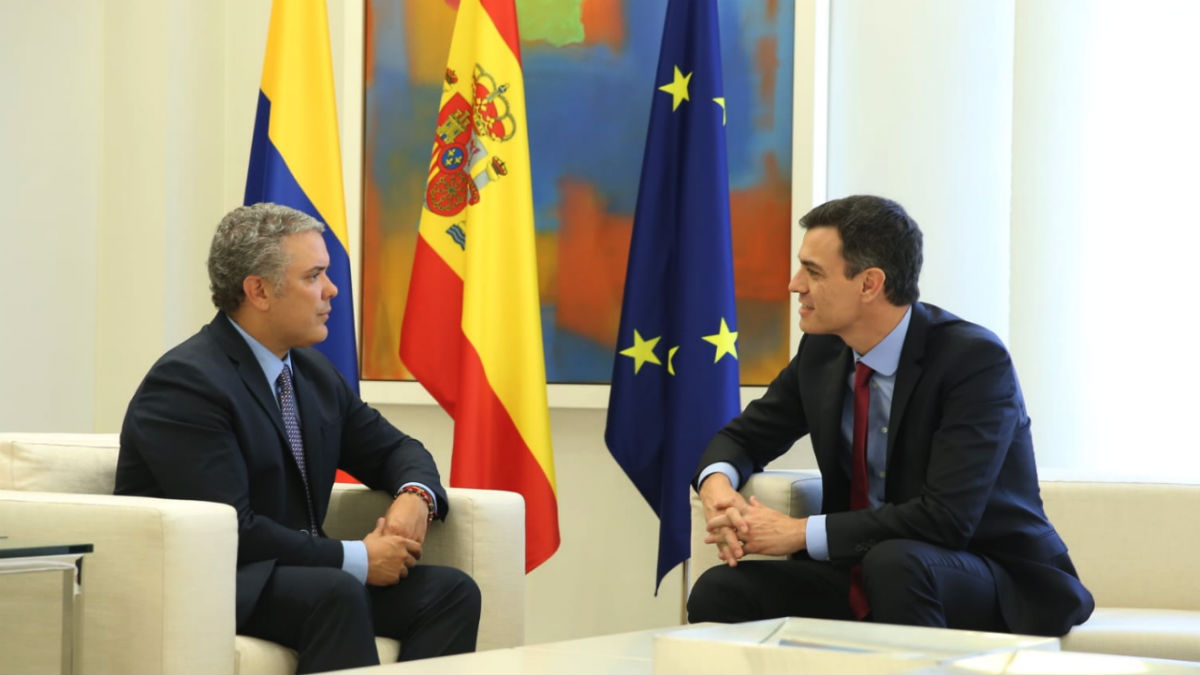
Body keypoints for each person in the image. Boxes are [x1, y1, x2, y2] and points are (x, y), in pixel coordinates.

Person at [688, 195, 1093, 636]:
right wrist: (717, 490)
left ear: (869, 284)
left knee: (895, 563)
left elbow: (946, 518)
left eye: (813, 271)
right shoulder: (823, 352)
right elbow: (745, 437)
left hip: (988, 574)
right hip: (868, 569)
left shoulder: (973, 361)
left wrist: (799, 533)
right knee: (720, 591)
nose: (794, 284)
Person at [115, 203, 480, 672]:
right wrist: (360, 558)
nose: (331, 290)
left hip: (298, 575)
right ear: (259, 291)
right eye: (314, 276)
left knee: (451, 593)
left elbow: (395, 449)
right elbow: (232, 529)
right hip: (215, 578)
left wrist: (415, 497)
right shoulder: (187, 383)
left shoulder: (309, 372)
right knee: (337, 590)